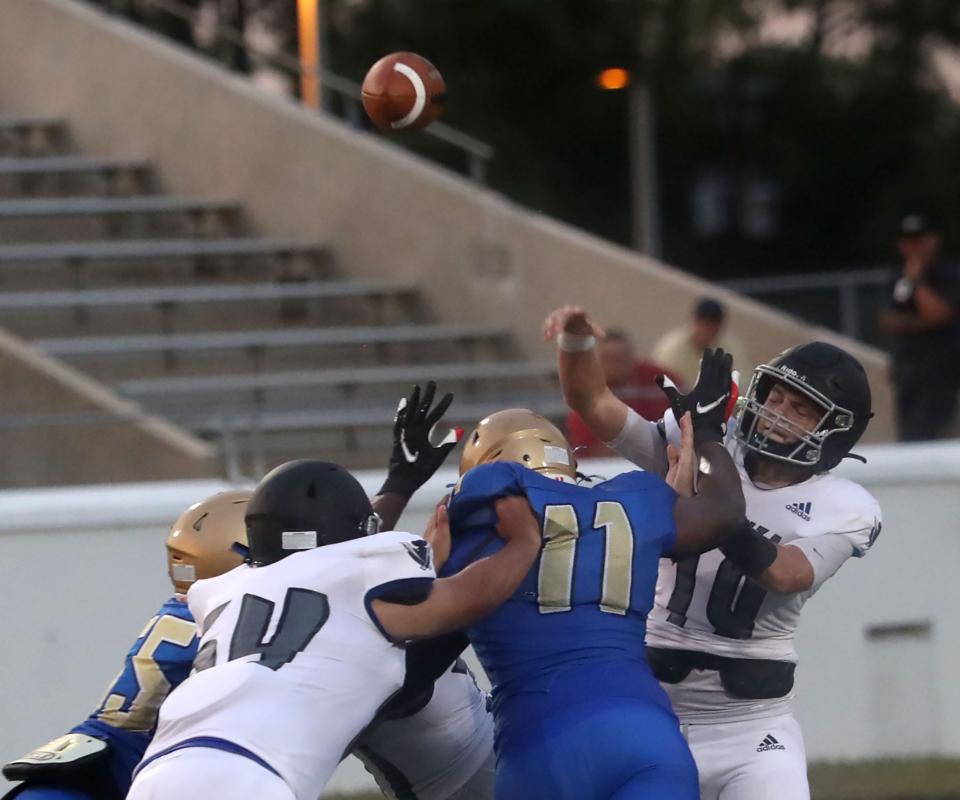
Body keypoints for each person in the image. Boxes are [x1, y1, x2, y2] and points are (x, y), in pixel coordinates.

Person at [4, 384, 497, 800]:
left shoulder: (210, 603)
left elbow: (330, 569)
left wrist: (399, 482)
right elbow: (335, 584)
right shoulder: (261, 615)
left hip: (77, 774)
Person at [545, 304, 882, 800]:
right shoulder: (697, 444)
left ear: (836, 429)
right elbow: (590, 400)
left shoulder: (846, 505)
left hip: (749, 728)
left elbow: (787, 573)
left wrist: (708, 487)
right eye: (777, 396)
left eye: (801, 408)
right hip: (648, 709)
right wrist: (575, 342)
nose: (776, 412)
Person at [125, 458, 539, 800]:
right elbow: (469, 597)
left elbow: (321, 572)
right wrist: (525, 542)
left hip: (158, 771)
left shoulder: (221, 592)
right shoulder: (357, 583)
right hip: (252, 776)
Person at [440, 389, 748, 800]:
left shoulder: (474, 523)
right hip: (647, 736)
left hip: (541, 747)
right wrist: (709, 434)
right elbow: (724, 511)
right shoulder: (636, 501)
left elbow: (417, 637)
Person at [879, 214, 960, 441]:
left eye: (920, 240)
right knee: (909, 436)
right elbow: (888, 319)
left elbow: (940, 315)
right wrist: (916, 323)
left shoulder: (948, 274)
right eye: (908, 241)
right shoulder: (897, 276)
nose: (914, 248)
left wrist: (917, 281)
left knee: (931, 435)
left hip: (939, 373)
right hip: (907, 373)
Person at [566, 328, 681, 457]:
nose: (616, 365)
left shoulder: (655, 378)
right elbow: (588, 455)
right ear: (596, 362)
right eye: (609, 359)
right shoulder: (586, 397)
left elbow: (685, 400)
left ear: (634, 358)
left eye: (622, 357)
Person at [652, 297, 749, 389]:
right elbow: (661, 385)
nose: (706, 332)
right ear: (693, 321)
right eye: (703, 325)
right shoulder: (672, 348)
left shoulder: (729, 346)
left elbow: (741, 382)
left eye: (712, 329)